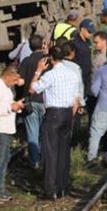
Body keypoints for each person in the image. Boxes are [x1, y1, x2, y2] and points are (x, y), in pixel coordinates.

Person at [30, 46, 81, 200]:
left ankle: (50, 189)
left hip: (53, 115)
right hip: (67, 113)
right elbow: (76, 99)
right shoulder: (72, 74)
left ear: (51, 58)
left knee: (51, 152)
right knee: (64, 152)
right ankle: (62, 186)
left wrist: (38, 70)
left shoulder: (50, 75)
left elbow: (33, 89)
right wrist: (70, 115)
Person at [0, 66, 25, 202]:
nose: (15, 83)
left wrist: (16, 106)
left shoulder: (5, 87)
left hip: (6, 128)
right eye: (14, 80)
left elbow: (7, 105)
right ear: (7, 76)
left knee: (5, 158)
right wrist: (10, 107)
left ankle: (0, 187)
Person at [16, 35, 47, 169]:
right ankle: (44, 159)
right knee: (44, 133)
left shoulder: (26, 61)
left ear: (29, 46)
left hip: (30, 102)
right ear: (43, 45)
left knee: (32, 133)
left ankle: (35, 162)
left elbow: (20, 81)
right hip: (46, 101)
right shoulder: (47, 61)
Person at [72, 19, 95, 100]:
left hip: (87, 77)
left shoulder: (88, 42)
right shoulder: (75, 43)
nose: (90, 34)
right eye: (89, 31)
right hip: (79, 76)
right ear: (82, 29)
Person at [89, 31, 107, 117]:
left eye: (97, 42)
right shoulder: (96, 53)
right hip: (93, 90)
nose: (95, 45)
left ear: (104, 41)